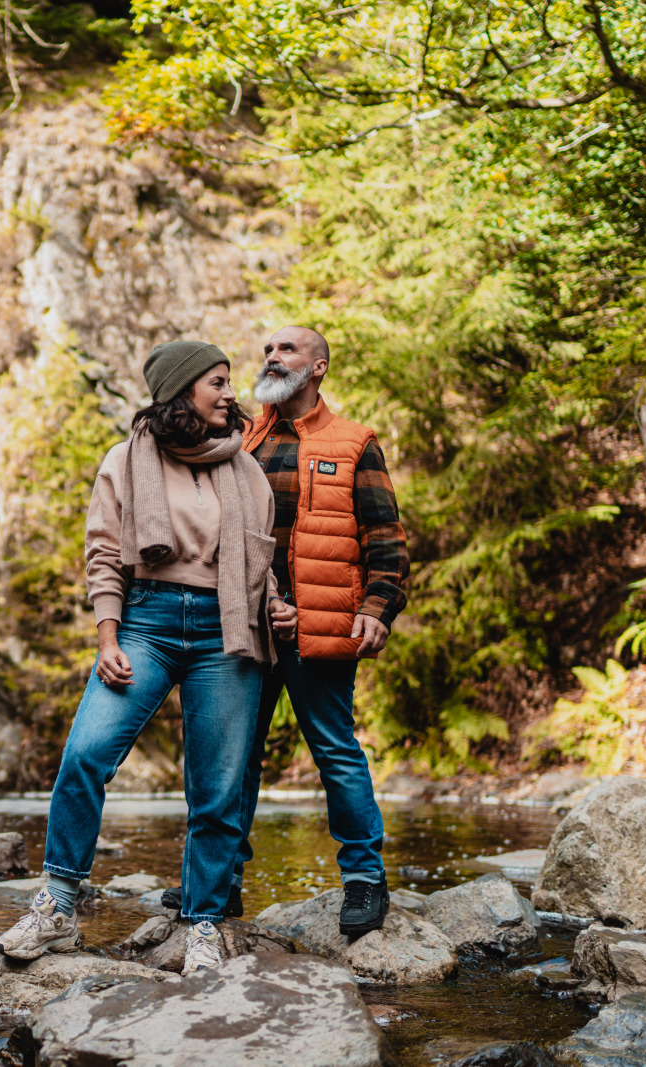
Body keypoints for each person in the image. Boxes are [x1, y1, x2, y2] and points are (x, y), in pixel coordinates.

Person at [0, 339, 297, 975]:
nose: (230, 392)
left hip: (229, 630)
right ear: (182, 389)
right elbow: (104, 553)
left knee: (217, 789)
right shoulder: (125, 460)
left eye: (228, 381)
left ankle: (204, 923)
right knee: (86, 753)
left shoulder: (246, 470)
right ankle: (55, 905)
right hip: (147, 621)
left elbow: (258, 565)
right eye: (216, 382)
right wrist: (108, 638)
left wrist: (276, 606)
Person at [157, 326, 410, 935]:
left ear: (317, 366)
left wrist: (376, 611)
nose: (271, 358)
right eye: (267, 350)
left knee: (334, 750)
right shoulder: (237, 439)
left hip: (318, 627)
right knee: (231, 759)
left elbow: (387, 542)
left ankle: (365, 880)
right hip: (243, 623)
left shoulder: (354, 443)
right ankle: (218, 883)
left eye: (287, 350)